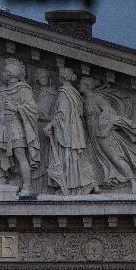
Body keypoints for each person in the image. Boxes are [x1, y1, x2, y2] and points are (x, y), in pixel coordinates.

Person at [0, 58, 41, 193]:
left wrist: (15, 107)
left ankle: (27, 187)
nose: (2, 74)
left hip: (15, 126)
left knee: (20, 155)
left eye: (5, 72)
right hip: (1, 126)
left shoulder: (23, 89)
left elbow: (33, 109)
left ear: (11, 74)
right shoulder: (3, 89)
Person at [79, 76, 136, 193]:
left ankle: (133, 182)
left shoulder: (97, 98)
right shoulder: (84, 100)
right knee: (88, 159)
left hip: (103, 134)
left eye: (80, 84)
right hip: (92, 135)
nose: (78, 86)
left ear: (86, 86)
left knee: (115, 158)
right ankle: (94, 186)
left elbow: (111, 113)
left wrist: (106, 130)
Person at [45, 67, 97, 195]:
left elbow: (62, 114)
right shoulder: (74, 92)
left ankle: (72, 187)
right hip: (75, 130)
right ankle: (84, 184)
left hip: (67, 131)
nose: (58, 78)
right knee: (74, 158)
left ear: (63, 77)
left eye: (59, 76)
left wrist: (50, 125)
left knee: (68, 157)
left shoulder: (64, 93)